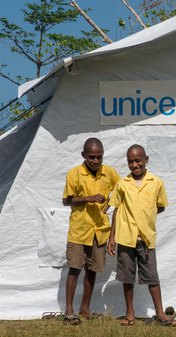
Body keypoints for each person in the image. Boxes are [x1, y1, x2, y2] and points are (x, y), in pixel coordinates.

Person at [107, 144, 175, 326]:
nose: (135, 164)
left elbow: (159, 207)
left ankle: (160, 312)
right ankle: (130, 312)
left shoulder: (157, 182)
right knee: (127, 277)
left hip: (146, 239)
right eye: (130, 161)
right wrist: (112, 237)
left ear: (146, 159)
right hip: (125, 238)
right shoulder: (122, 184)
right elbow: (115, 210)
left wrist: (146, 217)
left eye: (138, 160)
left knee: (152, 277)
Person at [62, 137, 120, 325]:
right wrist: (88, 198)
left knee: (92, 269)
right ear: (83, 155)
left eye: (99, 157)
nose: (96, 161)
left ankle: (85, 309)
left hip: (100, 230)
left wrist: (111, 202)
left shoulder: (109, 173)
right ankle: (69, 311)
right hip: (80, 230)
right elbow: (66, 200)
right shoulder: (74, 174)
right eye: (92, 157)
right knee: (75, 268)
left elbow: (122, 190)